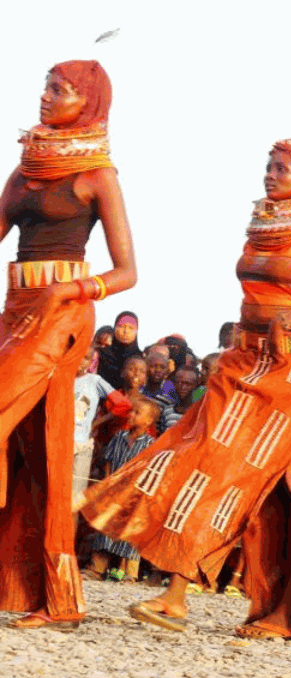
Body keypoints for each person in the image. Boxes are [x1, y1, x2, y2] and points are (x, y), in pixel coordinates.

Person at [83, 138, 291, 643]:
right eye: (269, 166)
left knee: (248, 478)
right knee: (193, 458)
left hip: (289, 372)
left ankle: (211, 598)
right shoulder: (259, 226)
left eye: (283, 169)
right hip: (241, 360)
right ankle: (176, 590)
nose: (271, 175)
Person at [0, 60, 137, 628]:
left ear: (89, 102)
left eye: (61, 89)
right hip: (16, 311)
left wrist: (72, 291)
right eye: (46, 86)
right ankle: (41, 595)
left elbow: (128, 271)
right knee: (36, 446)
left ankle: (58, 597)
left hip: (64, 312)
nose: (45, 96)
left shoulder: (98, 176)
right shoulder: (27, 167)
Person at [86, 398, 160, 582]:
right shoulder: (119, 437)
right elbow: (109, 461)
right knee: (105, 528)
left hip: (134, 495)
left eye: (137, 413)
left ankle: (129, 573)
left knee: (130, 533)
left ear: (149, 421)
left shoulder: (151, 444)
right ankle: (97, 568)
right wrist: (108, 484)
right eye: (131, 411)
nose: (131, 415)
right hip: (114, 491)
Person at [73, 345, 132, 502]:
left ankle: (71, 526)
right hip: (55, 443)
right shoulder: (59, 377)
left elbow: (123, 405)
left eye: (86, 358)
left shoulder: (94, 381)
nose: (81, 361)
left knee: (75, 497)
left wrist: (96, 423)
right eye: (78, 355)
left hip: (80, 446)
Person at [99, 312, 141, 390]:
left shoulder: (141, 359)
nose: (126, 331)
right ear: (114, 328)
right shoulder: (100, 355)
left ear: (136, 332)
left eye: (131, 328)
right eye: (121, 326)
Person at [158, 366, 201, 433]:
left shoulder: (200, 414)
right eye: (178, 382)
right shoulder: (167, 411)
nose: (182, 387)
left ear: (195, 385)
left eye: (187, 384)